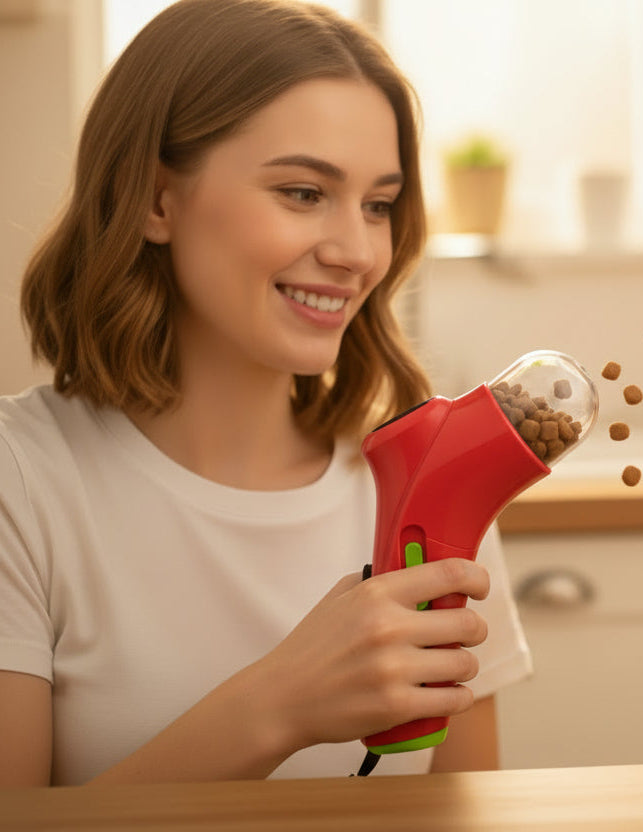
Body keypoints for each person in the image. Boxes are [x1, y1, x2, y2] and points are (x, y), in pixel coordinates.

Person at [0, 0, 531, 786]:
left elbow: (460, 809)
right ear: (155, 200)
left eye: (378, 205)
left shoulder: (430, 483)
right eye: (303, 193)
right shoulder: (23, 481)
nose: (355, 251)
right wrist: (279, 705)